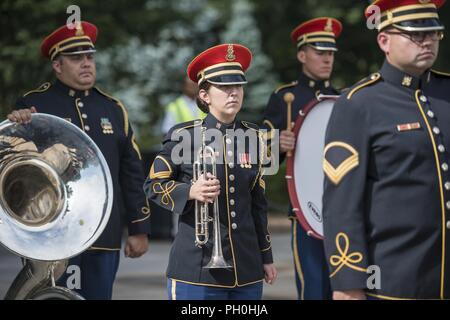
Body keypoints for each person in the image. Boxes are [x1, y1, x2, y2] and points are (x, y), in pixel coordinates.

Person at [7, 21, 151, 300]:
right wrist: (18, 124)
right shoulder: (34, 105)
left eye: (89, 57)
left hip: (104, 234)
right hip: (51, 233)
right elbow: (17, 164)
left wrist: (139, 228)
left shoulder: (112, 108)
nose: (86, 64)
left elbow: (131, 173)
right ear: (57, 66)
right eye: (76, 59)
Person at [322, 0, 450, 300]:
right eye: (415, 34)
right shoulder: (358, 104)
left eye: (433, 33)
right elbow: (342, 205)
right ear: (384, 40)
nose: (427, 41)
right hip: (394, 283)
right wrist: (347, 284)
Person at [144, 44, 277, 300]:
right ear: (204, 95)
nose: (233, 93)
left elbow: (258, 205)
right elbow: (152, 185)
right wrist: (189, 191)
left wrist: (266, 256)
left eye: (237, 86)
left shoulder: (254, 138)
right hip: (196, 272)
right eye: (224, 87)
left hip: (246, 271)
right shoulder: (185, 136)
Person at [262, 17, 342, 300]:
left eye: (331, 53)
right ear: (302, 55)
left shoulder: (343, 99)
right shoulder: (286, 97)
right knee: (313, 287)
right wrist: (278, 145)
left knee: (344, 285)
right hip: (304, 210)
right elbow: (262, 162)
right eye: (320, 52)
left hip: (342, 209)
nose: (327, 59)